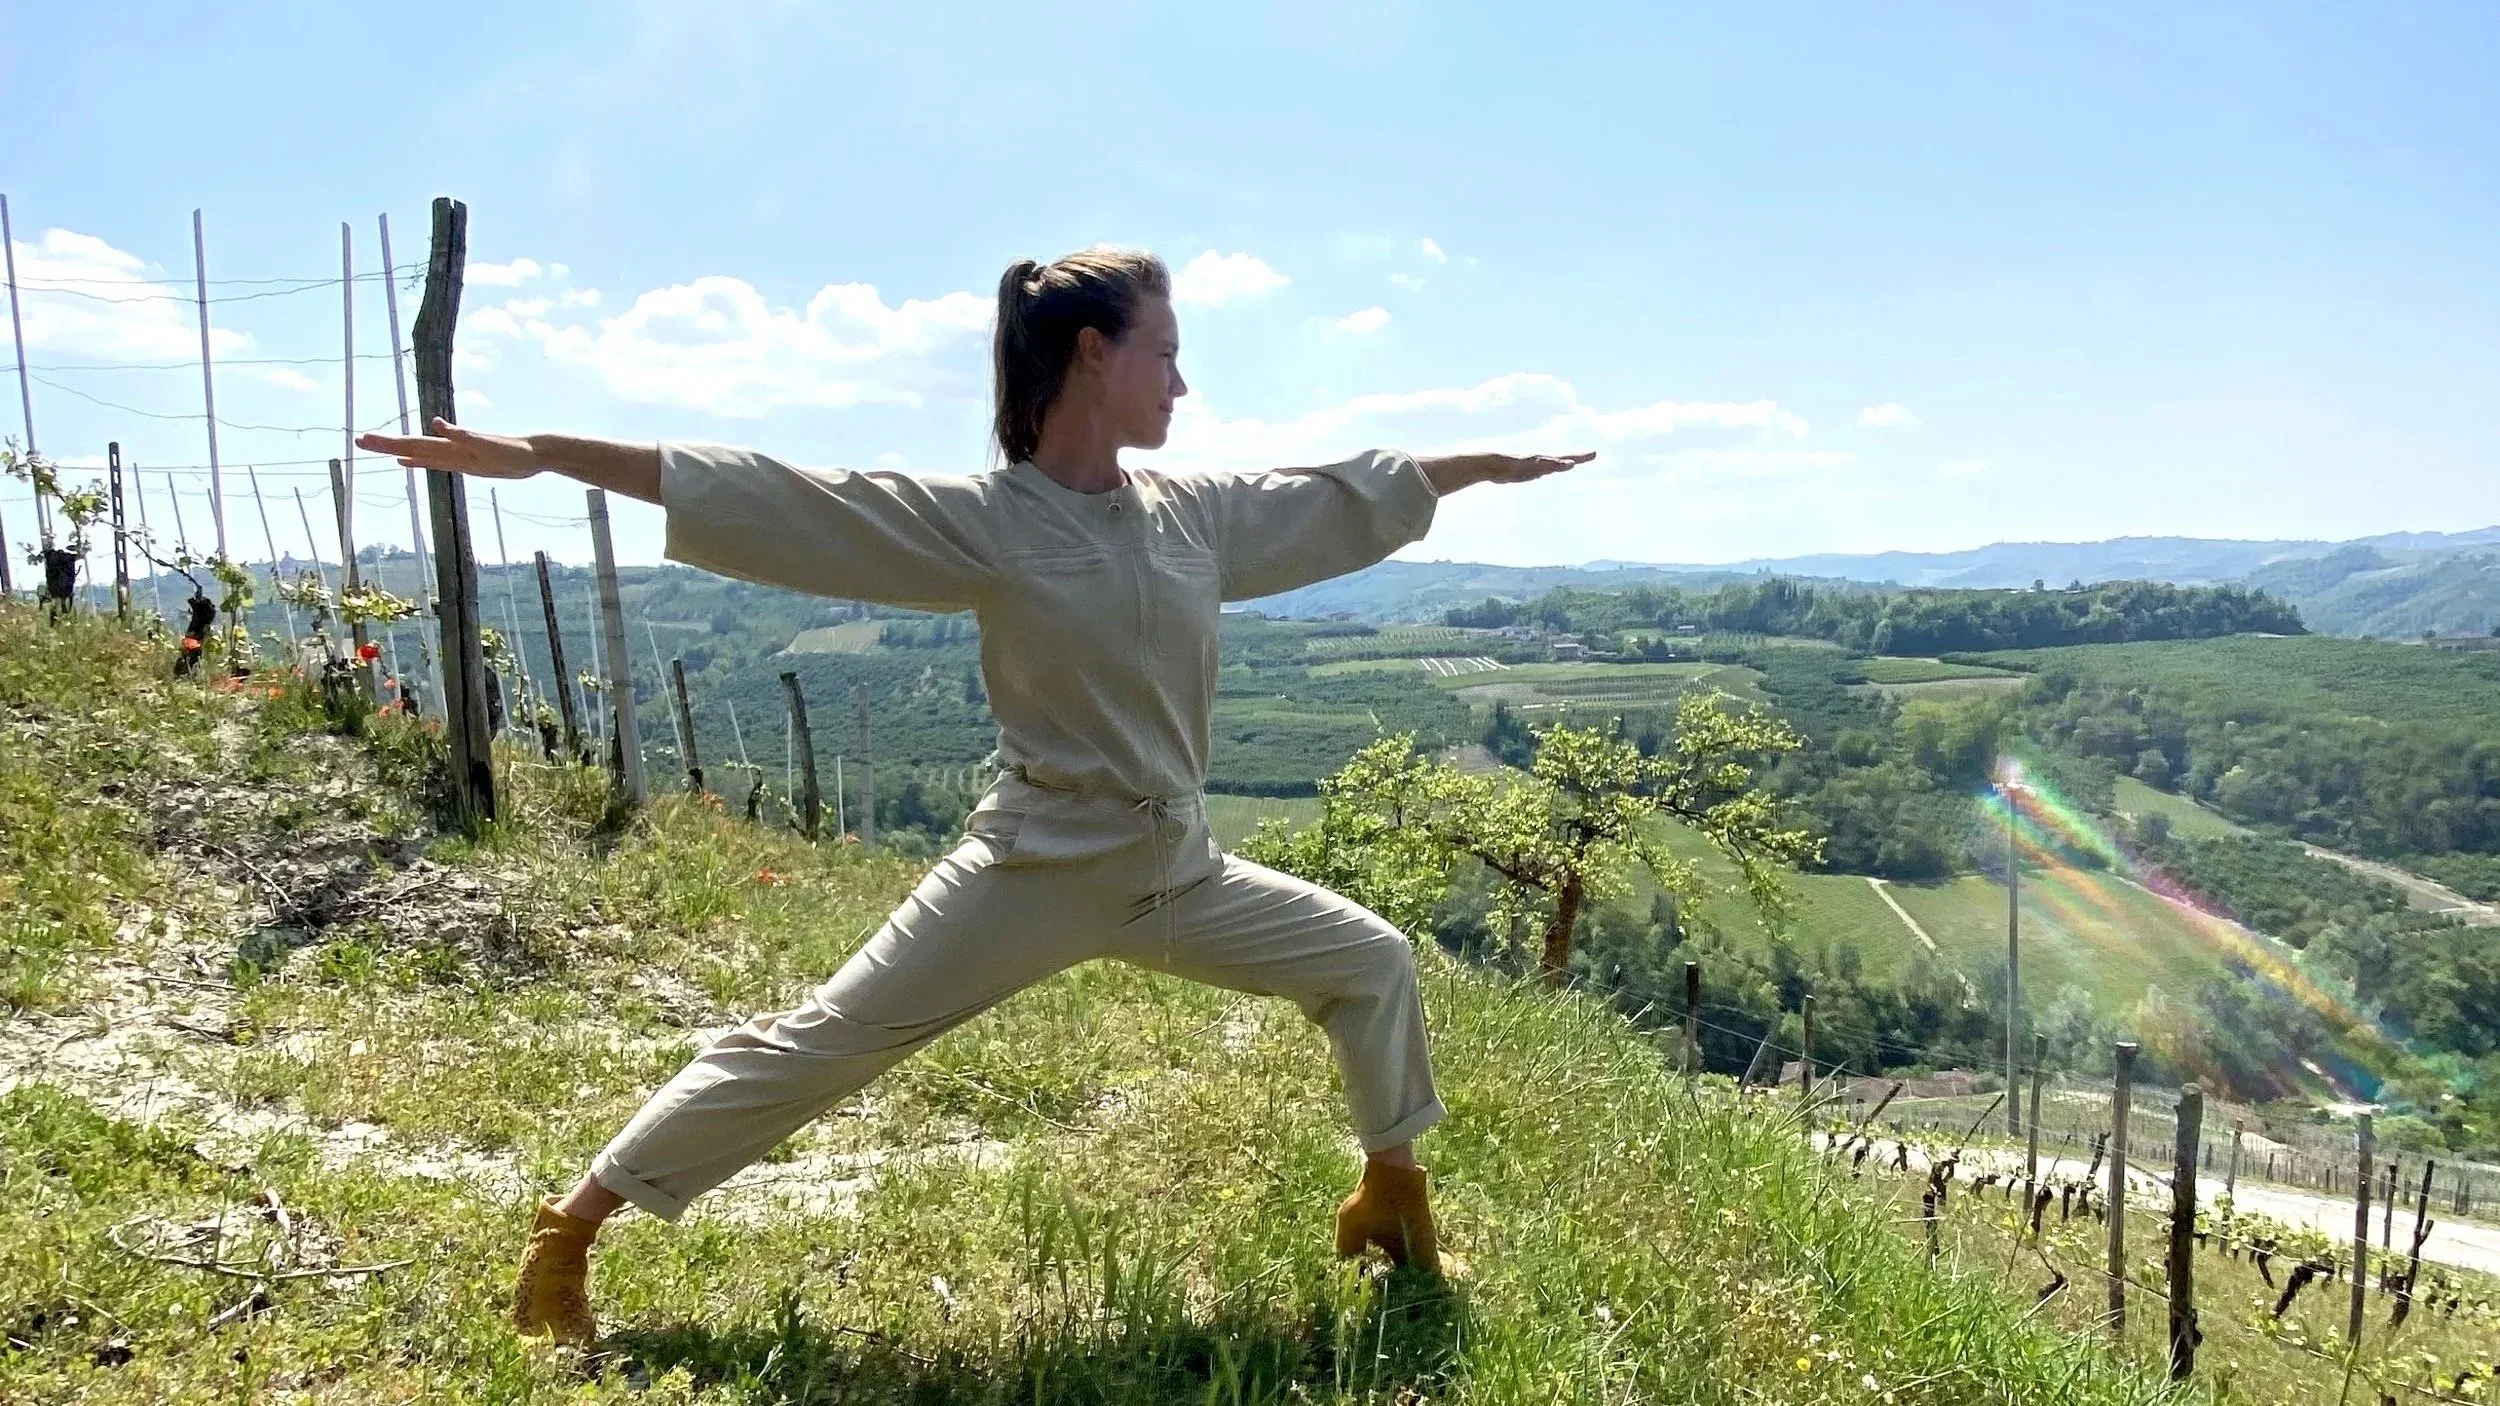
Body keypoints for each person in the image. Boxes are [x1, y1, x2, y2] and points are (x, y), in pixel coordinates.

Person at [358, 246, 1589, 1347]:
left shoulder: (1194, 516)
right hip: (1032, 869)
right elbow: (781, 494)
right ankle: (568, 1232)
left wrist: (1479, 463)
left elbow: (1335, 493)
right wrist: (540, 453)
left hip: (1177, 870)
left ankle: (1389, 1191)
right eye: (1165, 353)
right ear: (1092, 354)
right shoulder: (989, 522)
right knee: (825, 1042)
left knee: (1369, 959)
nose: (1181, 383)